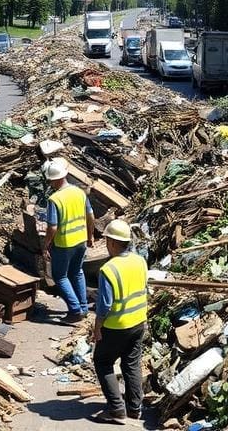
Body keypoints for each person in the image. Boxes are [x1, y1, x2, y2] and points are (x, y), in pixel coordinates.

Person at [92, 219, 148, 424]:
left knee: (103, 361)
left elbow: (104, 306)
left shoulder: (109, 269)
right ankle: (135, 408)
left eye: (107, 240)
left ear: (114, 243)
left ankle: (116, 409)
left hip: (117, 326)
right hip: (138, 322)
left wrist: (97, 329)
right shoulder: (140, 260)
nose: (106, 244)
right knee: (131, 364)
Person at [43, 159, 94, 323]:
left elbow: (52, 226)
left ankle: (75, 310)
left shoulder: (54, 199)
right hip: (81, 240)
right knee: (77, 272)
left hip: (64, 244)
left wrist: (45, 246)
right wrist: (90, 235)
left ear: (55, 179)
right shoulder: (79, 192)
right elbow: (90, 215)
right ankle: (84, 307)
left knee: (60, 277)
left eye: (50, 180)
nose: (50, 183)